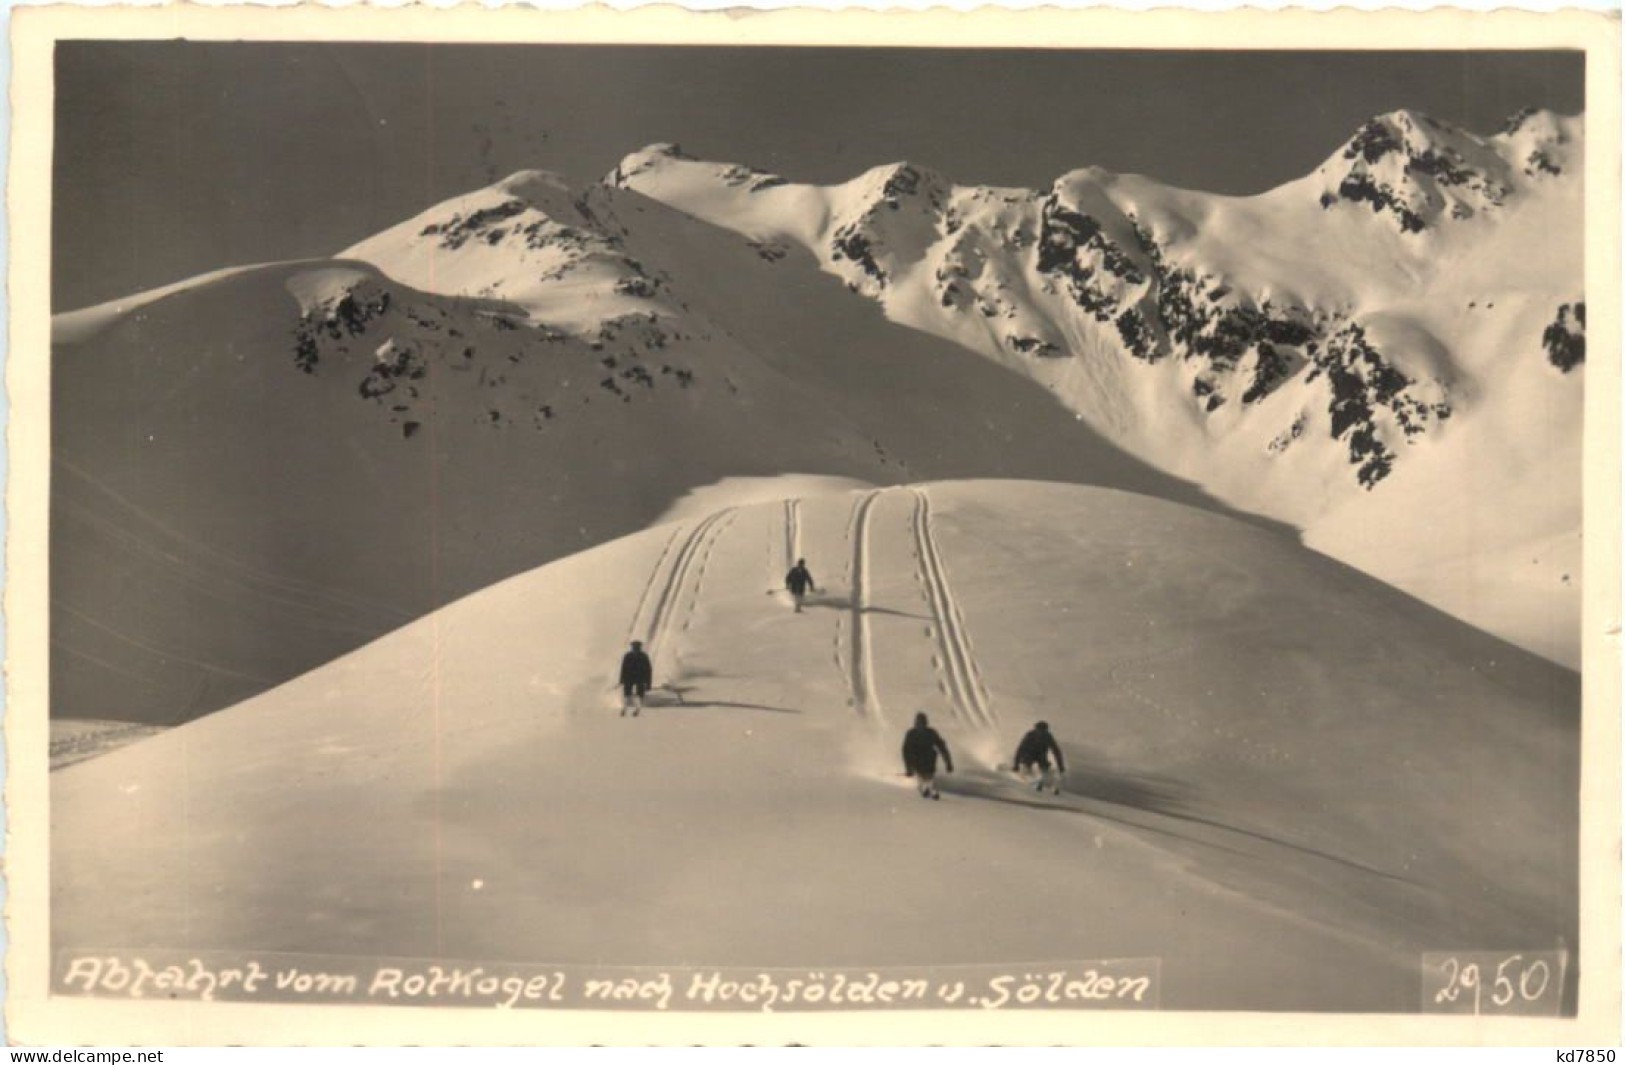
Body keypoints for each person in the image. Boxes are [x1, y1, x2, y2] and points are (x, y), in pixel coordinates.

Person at [901, 711, 954, 800]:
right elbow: (905, 751)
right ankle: (924, 786)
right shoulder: (911, 734)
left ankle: (930, 786)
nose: (921, 726)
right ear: (916, 723)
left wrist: (948, 763)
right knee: (920, 775)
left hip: (929, 760)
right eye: (919, 724)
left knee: (929, 774)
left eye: (923, 723)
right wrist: (908, 768)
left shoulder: (931, 733)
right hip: (916, 761)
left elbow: (942, 748)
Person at [1012, 720, 1067, 795]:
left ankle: (1045, 781)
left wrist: (1060, 766)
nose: (1041, 733)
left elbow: (1056, 752)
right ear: (1036, 729)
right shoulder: (1030, 735)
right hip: (1029, 754)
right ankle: (1028, 778)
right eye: (1039, 730)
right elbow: (1020, 750)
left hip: (1041, 755)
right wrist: (1016, 764)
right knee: (1027, 764)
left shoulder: (1048, 736)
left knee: (1045, 767)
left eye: (1043, 731)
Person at [619, 640, 653, 717]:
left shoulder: (643, 656)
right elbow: (623, 668)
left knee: (639, 694)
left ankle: (637, 709)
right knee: (627, 694)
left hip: (638, 678)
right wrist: (622, 679)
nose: (635, 649)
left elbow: (648, 670)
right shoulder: (628, 656)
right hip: (630, 678)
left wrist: (648, 683)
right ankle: (625, 708)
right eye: (634, 647)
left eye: (637, 647)